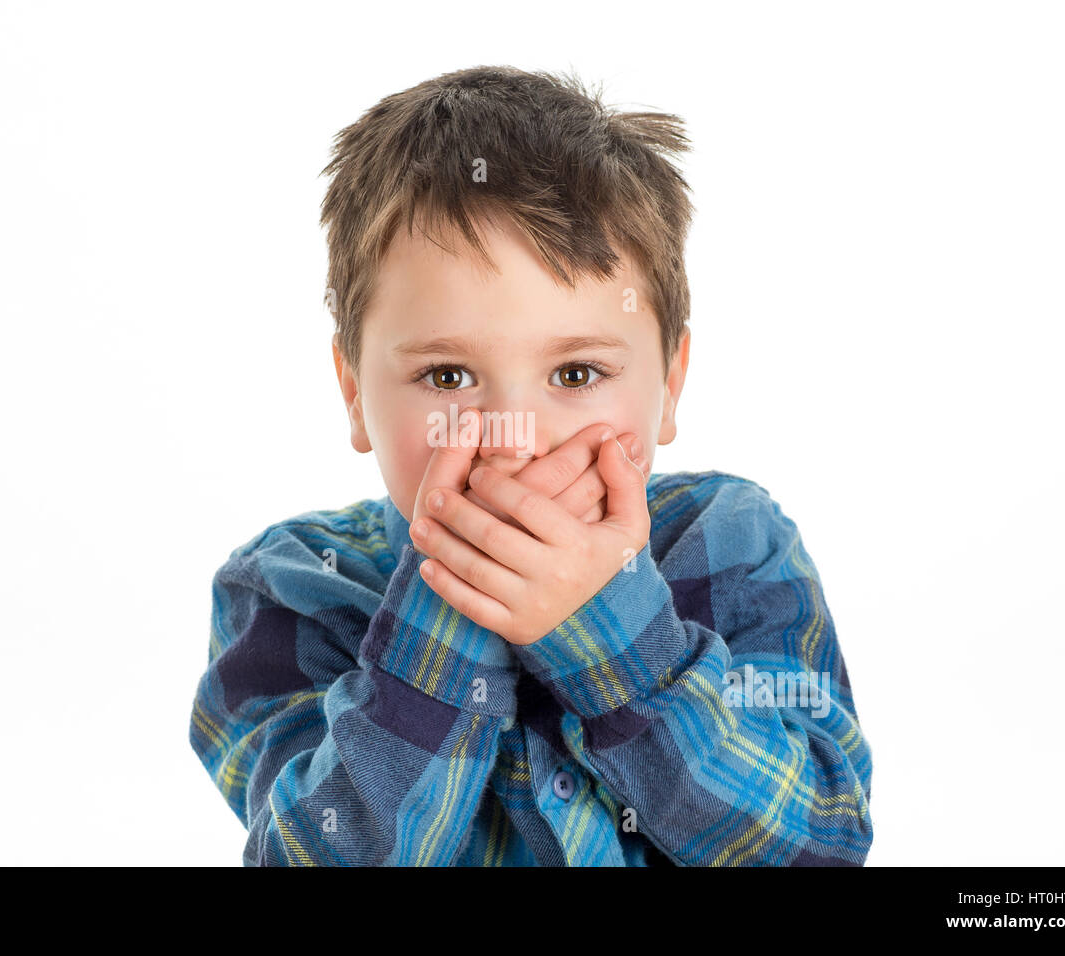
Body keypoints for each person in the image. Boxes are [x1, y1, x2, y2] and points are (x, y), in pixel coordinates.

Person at [188, 65, 874, 865]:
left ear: (668, 387)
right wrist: (455, 604)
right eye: (446, 377)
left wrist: (608, 638)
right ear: (353, 393)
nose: (516, 439)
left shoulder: (731, 543)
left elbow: (820, 845)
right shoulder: (294, 588)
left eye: (576, 375)